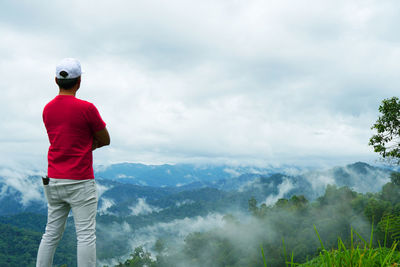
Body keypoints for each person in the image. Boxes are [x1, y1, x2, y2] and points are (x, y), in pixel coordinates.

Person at [37, 58, 110, 267]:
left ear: (55, 80)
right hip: (80, 180)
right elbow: (105, 139)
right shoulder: (87, 108)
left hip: (54, 179)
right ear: (79, 82)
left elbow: (61, 137)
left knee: (50, 233)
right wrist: (89, 144)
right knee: (86, 235)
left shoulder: (47, 109)